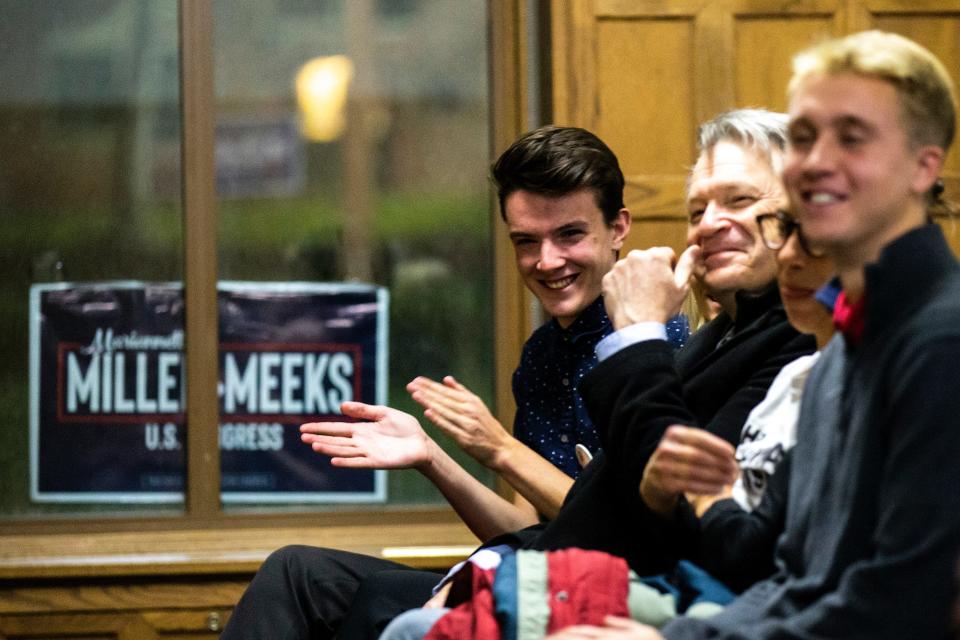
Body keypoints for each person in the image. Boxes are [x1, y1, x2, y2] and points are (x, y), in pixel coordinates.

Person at [337, 108, 813, 639]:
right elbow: (574, 515)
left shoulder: (683, 336)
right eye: (698, 209)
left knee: (397, 618)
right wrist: (437, 462)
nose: (547, 261)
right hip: (578, 569)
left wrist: (634, 336)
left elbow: (679, 517)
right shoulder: (572, 351)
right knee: (315, 577)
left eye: (739, 201)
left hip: (654, 594)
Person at [553, 29, 960, 640]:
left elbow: (901, 607)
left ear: (922, 166)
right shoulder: (837, 354)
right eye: (805, 140)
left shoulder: (937, 340)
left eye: (853, 139)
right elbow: (789, 578)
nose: (817, 163)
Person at [219, 125, 682, 640]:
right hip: (528, 571)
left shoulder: (657, 344)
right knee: (298, 573)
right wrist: (432, 459)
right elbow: (525, 530)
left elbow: (629, 531)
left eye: (569, 235)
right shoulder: (543, 353)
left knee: (380, 602)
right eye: (526, 242)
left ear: (618, 228)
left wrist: (501, 449)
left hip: (613, 600)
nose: (547, 261)